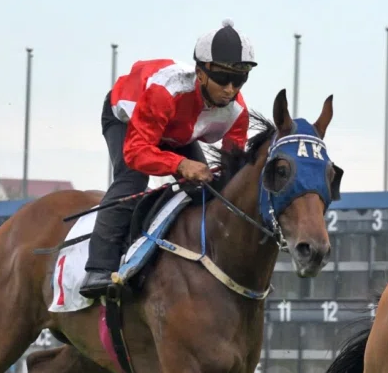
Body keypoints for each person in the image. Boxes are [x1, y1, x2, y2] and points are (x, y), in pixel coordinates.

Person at [79, 19, 257, 299]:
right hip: (127, 118)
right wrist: (181, 165)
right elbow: (137, 152)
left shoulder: (237, 112)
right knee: (133, 179)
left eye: (240, 79)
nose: (230, 89)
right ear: (200, 73)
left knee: (206, 187)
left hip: (176, 132)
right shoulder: (167, 90)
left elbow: (230, 172)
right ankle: (98, 268)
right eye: (223, 78)